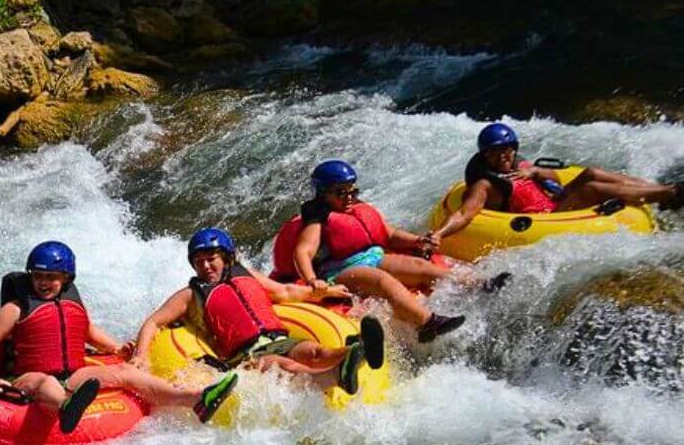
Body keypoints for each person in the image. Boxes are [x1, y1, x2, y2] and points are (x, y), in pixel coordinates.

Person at [0, 241, 239, 424]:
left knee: (126, 373)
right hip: (26, 378)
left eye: (51, 277)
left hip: (72, 375)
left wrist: (115, 349)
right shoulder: (15, 309)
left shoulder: (71, 304)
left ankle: (196, 399)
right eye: (38, 277)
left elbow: (87, 331)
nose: (44, 283)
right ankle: (66, 408)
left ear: (66, 279)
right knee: (43, 382)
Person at [131, 228, 386, 396]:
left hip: (277, 338)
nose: (206, 266)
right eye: (199, 262)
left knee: (315, 351)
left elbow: (284, 292)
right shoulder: (190, 295)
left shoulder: (246, 274)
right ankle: (336, 374)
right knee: (280, 365)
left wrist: (321, 292)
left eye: (212, 259)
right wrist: (141, 356)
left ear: (227, 258)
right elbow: (154, 321)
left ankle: (356, 351)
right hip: (245, 356)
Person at [272, 160, 487, 343]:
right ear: (323, 194)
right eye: (341, 192)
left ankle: (478, 285)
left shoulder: (355, 207)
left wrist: (417, 241)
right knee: (383, 281)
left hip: (371, 256)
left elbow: (389, 234)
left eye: (352, 191)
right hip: (339, 269)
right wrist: (312, 280)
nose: (348, 197)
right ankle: (426, 323)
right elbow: (303, 251)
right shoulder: (316, 217)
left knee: (420, 267)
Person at [429, 122, 684, 243]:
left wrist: (535, 172)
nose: (504, 156)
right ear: (486, 155)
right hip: (548, 217)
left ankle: (652, 188)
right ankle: (669, 194)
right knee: (591, 189)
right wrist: (438, 234)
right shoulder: (485, 184)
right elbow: (465, 213)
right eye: (496, 152)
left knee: (591, 173)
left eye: (508, 150)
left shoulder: (521, 165)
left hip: (554, 202)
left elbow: (556, 178)